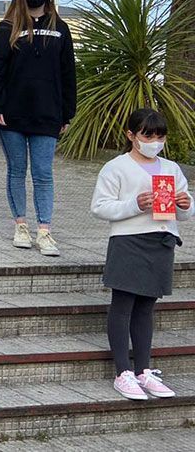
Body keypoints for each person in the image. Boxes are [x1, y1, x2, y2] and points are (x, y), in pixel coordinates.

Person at [91, 108, 192, 401]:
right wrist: (134, 204)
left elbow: (184, 211)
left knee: (147, 305)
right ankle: (123, 371)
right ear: (131, 135)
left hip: (162, 240)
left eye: (160, 136)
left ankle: (143, 369)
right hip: (128, 239)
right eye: (148, 135)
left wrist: (185, 205)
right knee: (123, 304)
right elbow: (100, 207)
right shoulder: (116, 167)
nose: (155, 141)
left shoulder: (171, 168)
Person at [0, 0, 76, 256]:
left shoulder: (61, 28)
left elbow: (68, 73)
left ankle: (45, 231)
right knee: (16, 170)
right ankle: (21, 226)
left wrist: (67, 113)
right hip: (12, 114)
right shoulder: (6, 28)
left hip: (47, 113)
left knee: (43, 173)